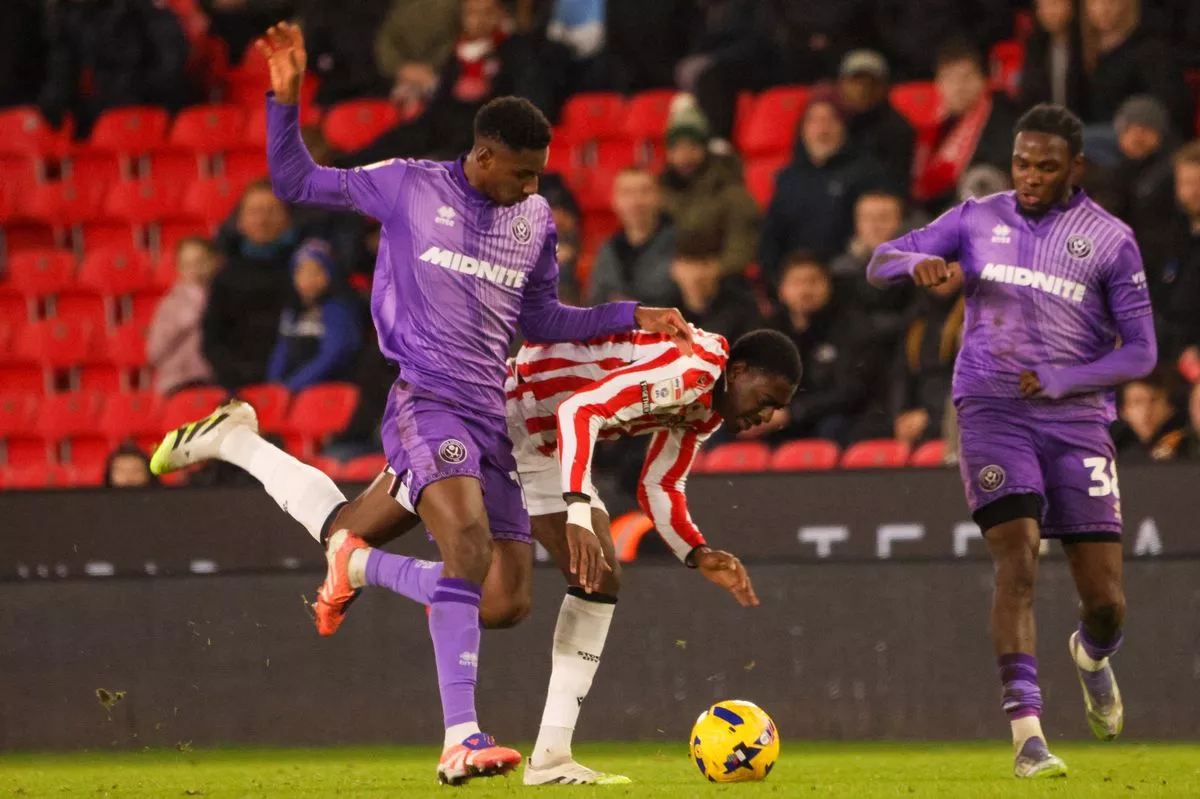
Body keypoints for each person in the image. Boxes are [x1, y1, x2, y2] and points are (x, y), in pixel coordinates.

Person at [149, 21, 690, 787]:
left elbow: (541, 321)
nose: (534, 188)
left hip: (491, 414)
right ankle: (460, 736)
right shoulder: (407, 182)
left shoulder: (534, 221)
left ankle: (296, 498)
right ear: (484, 155)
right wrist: (286, 101)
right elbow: (298, 182)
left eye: (540, 174)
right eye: (523, 173)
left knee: (502, 601)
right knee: (463, 549)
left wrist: (628, 313)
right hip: (426, 400)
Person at [325, 327, 798, 785]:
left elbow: (661, 483)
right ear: (738, 371)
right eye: (768, 400)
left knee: (539, 593)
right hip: (508, 414)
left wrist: (696, 551)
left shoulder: (705, 410)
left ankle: (552, 754)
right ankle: (342, 546)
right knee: (362, 533)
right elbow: (581, 408)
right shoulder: (694, 369)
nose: (770, 415)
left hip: (545, 436)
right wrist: (577, 507)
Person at [868, 104, 1156, 778]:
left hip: (1077, 419)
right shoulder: (975, 217)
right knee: (1017, 557)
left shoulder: (1110, 240)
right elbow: (882, 258)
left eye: (1046, 166)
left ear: (1074, 168)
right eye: (1023, 162)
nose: (1029, 176)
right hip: (991, 406)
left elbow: (1141, 352)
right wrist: (914, 265)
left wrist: (1066, 375)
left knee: (1106, 601)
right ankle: (1028, 734)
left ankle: (1091, 655)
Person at [758, 91, 893, 283]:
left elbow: (874, 230)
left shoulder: (866, 172)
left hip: (847, 276)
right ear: (803, 129)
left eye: (830, 121)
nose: (822, 130)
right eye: (813, 121)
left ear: (843, 127)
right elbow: (771, 235)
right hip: (792, 281)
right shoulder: (788, 177)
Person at [763, 252, 881, 443]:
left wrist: (793, 412)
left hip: (830, 418)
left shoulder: (851, 328)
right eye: (796, 283)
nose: (805, 291)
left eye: (813, 282)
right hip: (783, 421)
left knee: (834, 425)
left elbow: (849, 392)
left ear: (828, 286)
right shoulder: (770, 332)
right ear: (782, 290)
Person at [38, 0, 191, 137]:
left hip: (149, 116)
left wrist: (129, 97)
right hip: (98, 119)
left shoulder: (146, 12)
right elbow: (63, 73)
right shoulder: (70, 17)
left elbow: (170, 67)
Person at [202, 179, 299, 391]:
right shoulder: (225, 276)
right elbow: (211, 339)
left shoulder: (304, 268)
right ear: (240, 221)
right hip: (237, 382)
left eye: (271, 211)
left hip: (292, 381)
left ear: (287, 219)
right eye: (254, 212)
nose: (262, 220)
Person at [657, 96, 759, 279]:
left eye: (692, 147)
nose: (684, 156)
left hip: (721, 283)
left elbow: (741, 247)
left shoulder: (730, 189)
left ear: (705, 149)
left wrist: (712, 271)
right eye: (677, 148)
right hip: (669, 281)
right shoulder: (659, 192)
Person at [912, 39, 1019, 211]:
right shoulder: (936, 126)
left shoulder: (1004, 120)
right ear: (938, 84)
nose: (958, 87)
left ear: (984, 80)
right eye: (949, 79)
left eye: (966, 78)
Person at [1083, 96, 1176, 271]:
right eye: (1130, 129)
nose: (1137, 137)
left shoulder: (1169, 173)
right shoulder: (1116, 171)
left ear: (1161, 134)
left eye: (1146, 129)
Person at [1082, 0, 1193, 139]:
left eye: (1110, 2)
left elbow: (1169, 107)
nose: (1103, 9)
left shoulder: (1149, 49)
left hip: (1138, 137)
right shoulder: (1083, 50)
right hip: (1098, 134)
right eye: (1095, 2)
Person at [266, 239, 364, 392]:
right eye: (302, 271)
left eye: (317, 272)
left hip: (328, 391)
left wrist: (291, 387)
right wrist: (274, 388)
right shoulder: (293, 310)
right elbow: (281, 350)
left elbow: (332, 356)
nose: (308, 279)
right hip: (291, 391)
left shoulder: (338, 310)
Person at [888, 264, 965, 447]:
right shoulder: (916, 315)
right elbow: (902, 373)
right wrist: (900, 415)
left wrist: (931, 418)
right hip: (918, 416)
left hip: (957, 418)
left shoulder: (981, 311)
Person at [829, 191, 913, 343]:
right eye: (867, 219)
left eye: (884, 218)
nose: (875, 226)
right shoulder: (840, 269)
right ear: (857, 224)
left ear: (900, 222)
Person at [588, 167, 677, 307]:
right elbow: (595, 303)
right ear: (614, 200)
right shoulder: (608, 248)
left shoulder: (680, 245)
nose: (636, 201)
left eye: (645, 191)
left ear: (660, 197)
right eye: (626, 193)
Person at [147, 237, 221, 396]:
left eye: (201, 261)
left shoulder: (225, 298)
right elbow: (154, 352)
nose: (195, 269)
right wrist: (185, 321)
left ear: (215, 262)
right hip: (180, 382)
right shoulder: (171, 304)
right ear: (179, 268)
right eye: (187, 264)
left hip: (217, 380)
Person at [838, 50, 916, 189]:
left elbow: (893, 182)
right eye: (856, 83)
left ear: (885, 87)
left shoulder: (898, 130)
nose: (862, 90)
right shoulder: (833, 122)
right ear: (842, 86)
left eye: (871, 83)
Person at [669, 232, 762, 345]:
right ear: (673, 268)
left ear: (718, 266)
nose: (696, 275)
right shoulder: (664, 314)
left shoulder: (744, 310)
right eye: (688, 264)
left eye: (704, 264)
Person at [1154, 140, 1200, 364]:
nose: (1192, 191)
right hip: (1168, 347)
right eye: (1185, 183)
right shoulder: (1174, 233)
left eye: (1198, 182)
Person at [374, 0, 460, 116]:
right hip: (387, 79)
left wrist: (428, 70)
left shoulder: (452, 6)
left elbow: (456, 39)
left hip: (442, 81)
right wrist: (399, 67)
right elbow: (385, 37)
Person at [1018, 0, 1087, 114]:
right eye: (1041, 6)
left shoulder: (1086, 44)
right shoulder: (1035, 45)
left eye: (1054, 3)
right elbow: (1029, 94)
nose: (1048, 12)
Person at [1110, 368, 1186, 461]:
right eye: (1137, 402)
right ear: (1124, 411)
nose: (1146, 411)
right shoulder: (1117, 458)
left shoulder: (1187, 448)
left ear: (1169, 406)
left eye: (1154, 400)